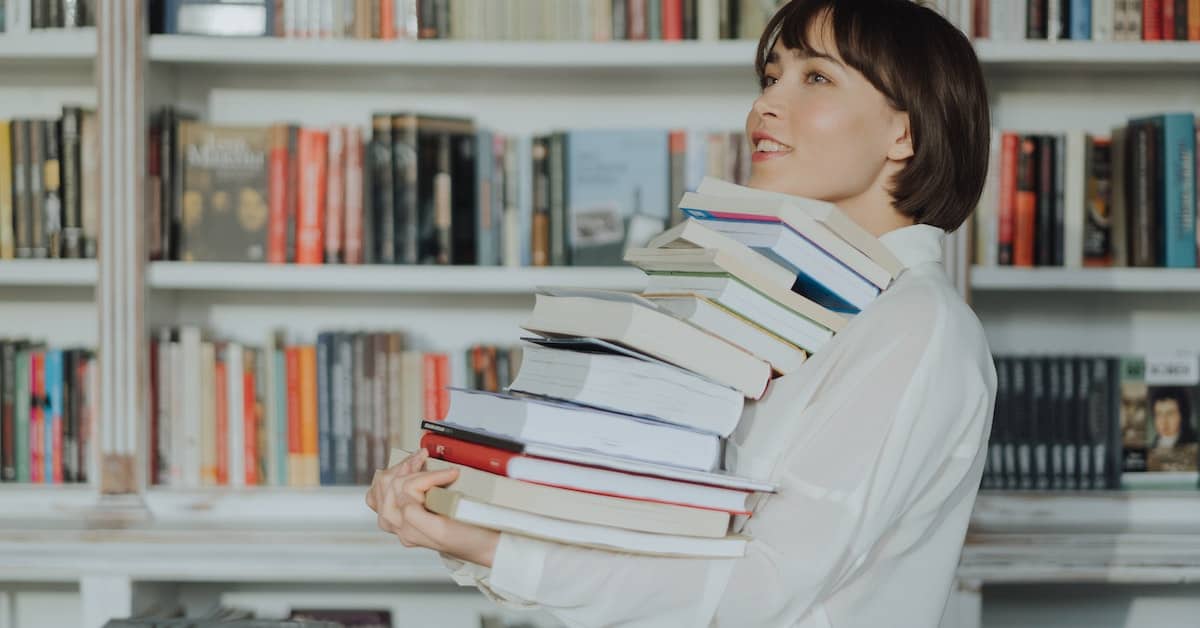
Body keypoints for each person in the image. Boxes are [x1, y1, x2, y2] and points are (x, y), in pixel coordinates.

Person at [366, 0, 997, 625]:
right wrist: (460, 513)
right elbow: (664, 546)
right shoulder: (788, 306)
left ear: (904, 132)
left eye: (817, 78)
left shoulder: (919, 326)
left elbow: (761, 590)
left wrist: (490, 548)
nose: (766, 105)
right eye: (771, 77)